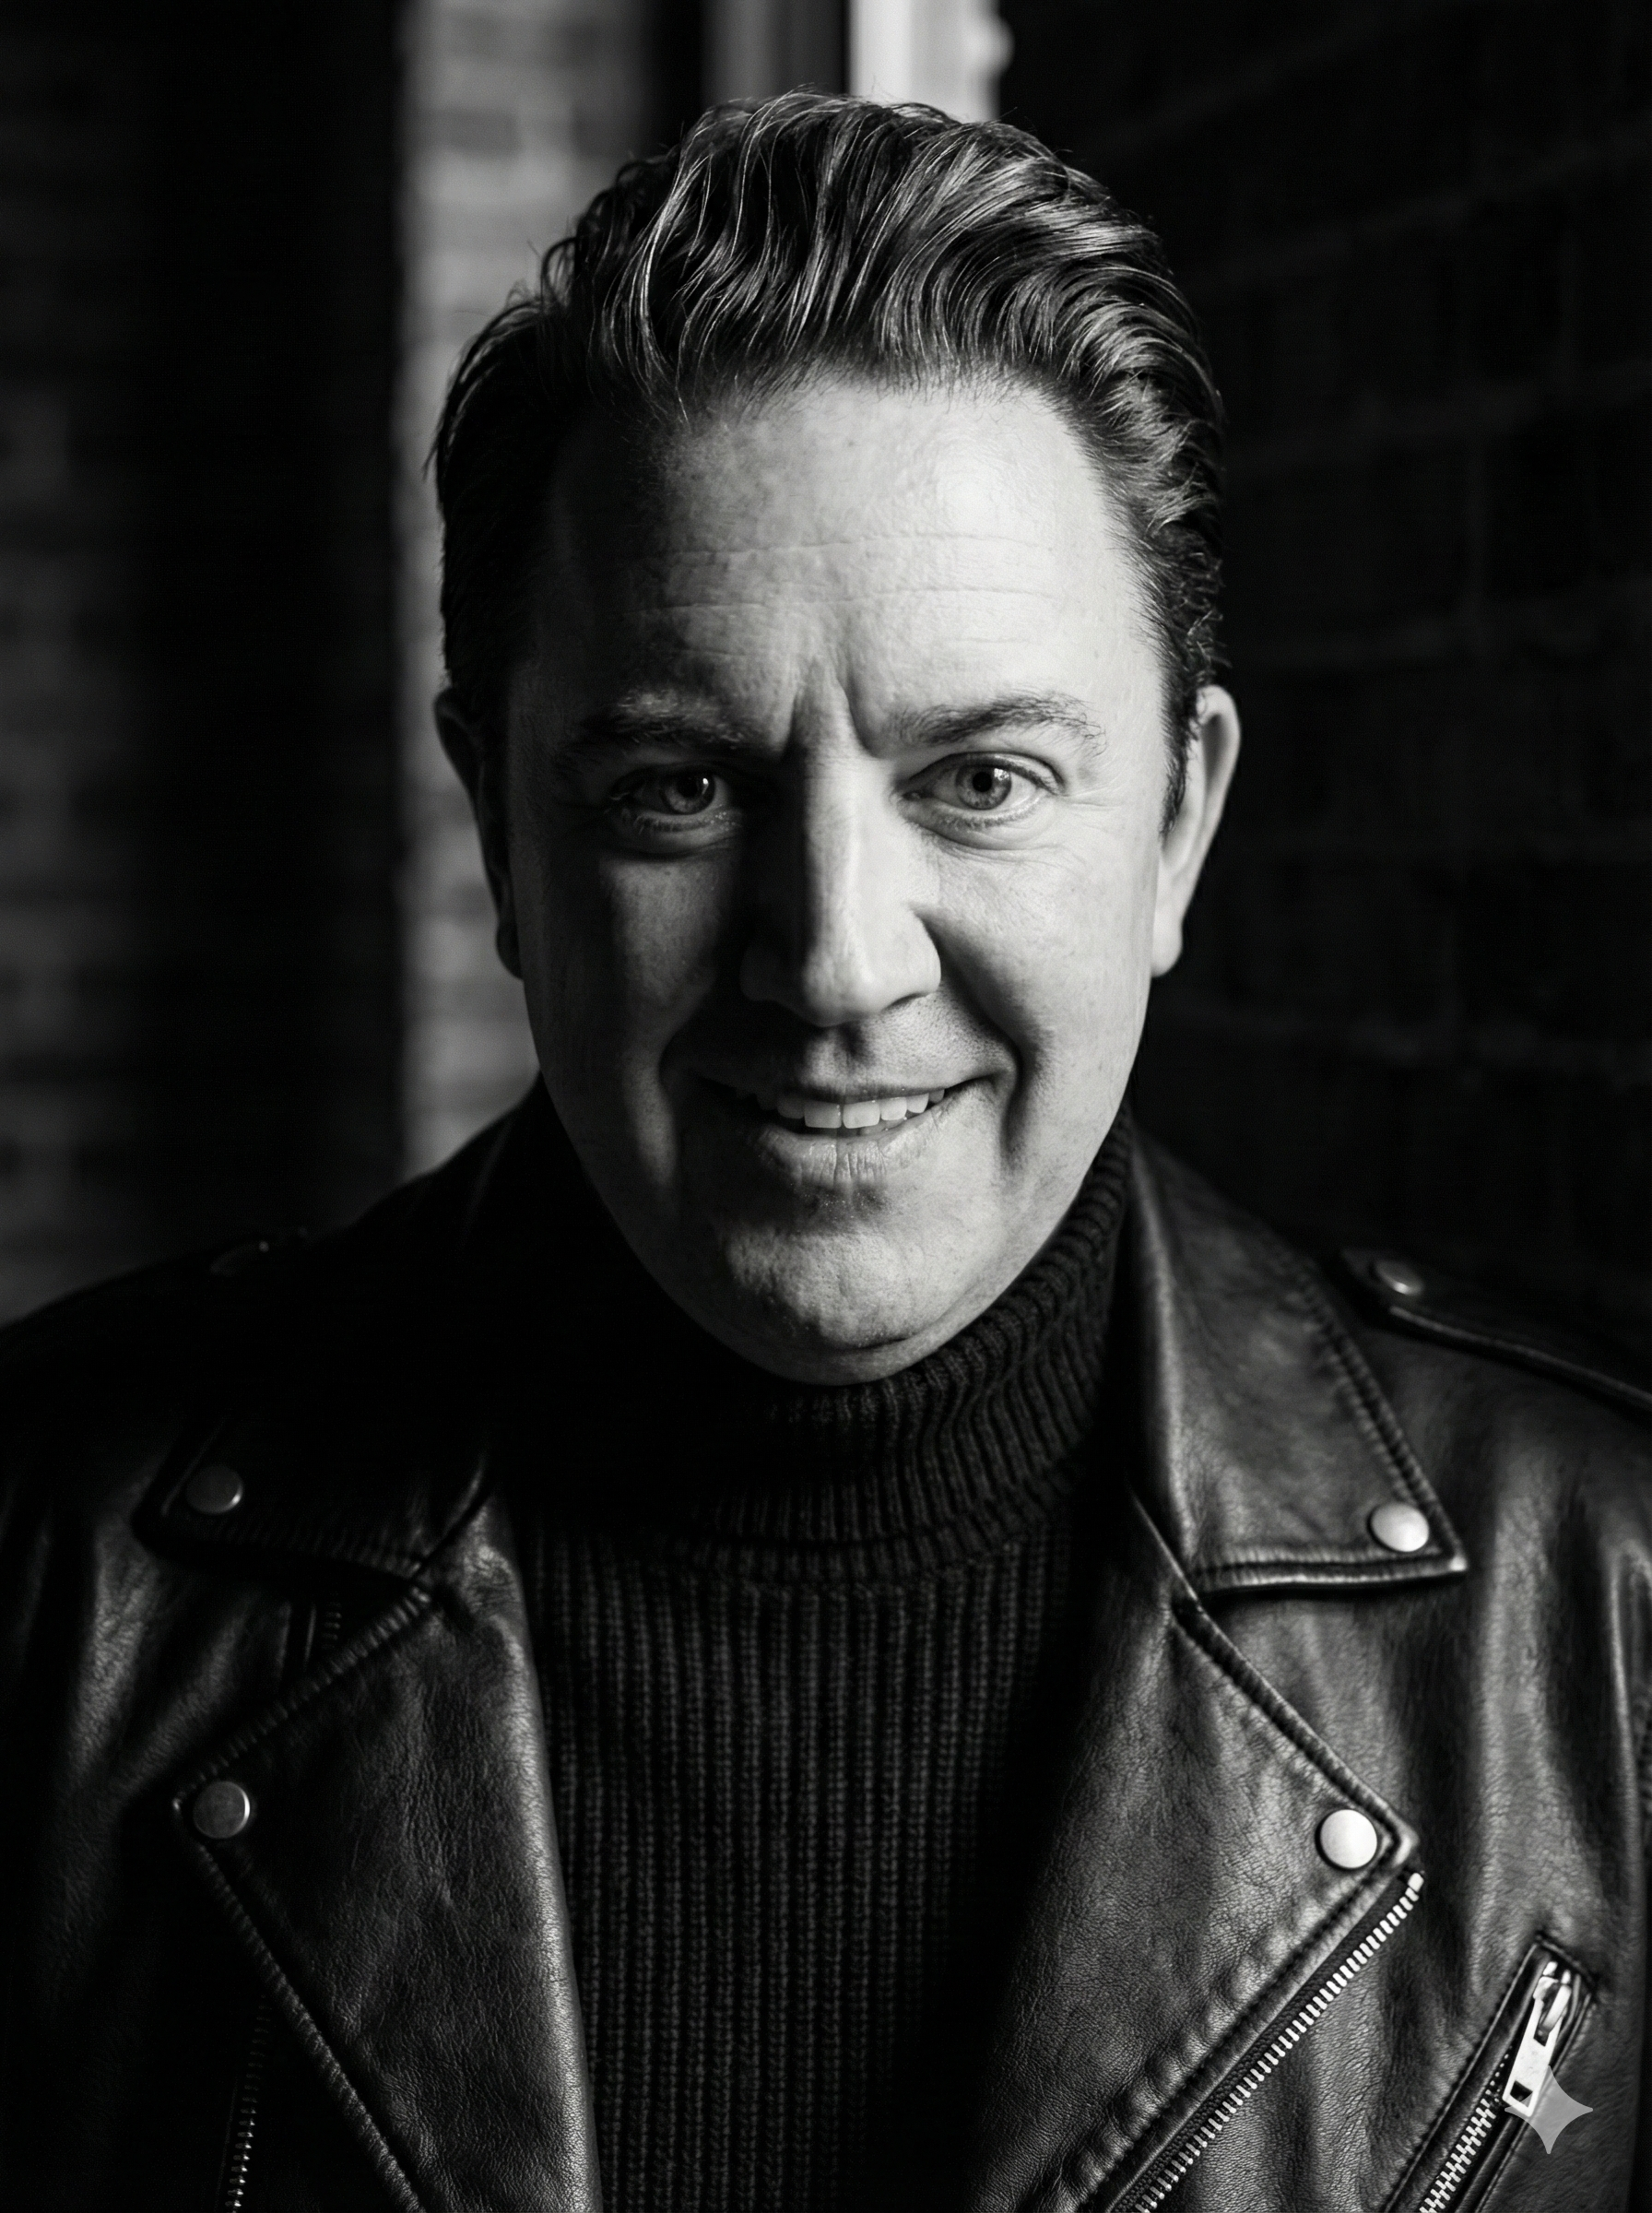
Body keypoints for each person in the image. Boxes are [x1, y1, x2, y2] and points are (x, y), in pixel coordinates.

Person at [1, 93, 1647, 2213]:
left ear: (1175, 827)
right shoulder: (47, 1582)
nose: (833, 962)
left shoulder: (1600, 1624)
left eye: (978, 779)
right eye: (676, 787)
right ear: (497, 829)